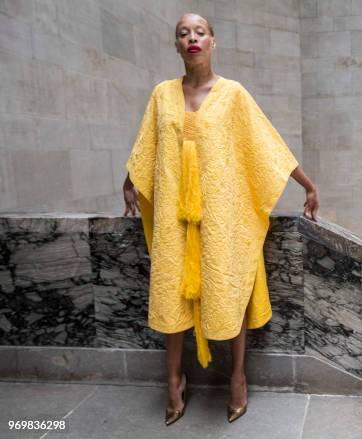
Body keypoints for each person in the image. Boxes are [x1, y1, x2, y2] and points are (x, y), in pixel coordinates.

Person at [122, 13, 319, 426]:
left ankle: (237, 377)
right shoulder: (161, 94)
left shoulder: (233, 95)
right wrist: (130, 182)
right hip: (176, 216)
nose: (191, 38)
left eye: (199, 32)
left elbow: (267, 144)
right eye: (183, 33)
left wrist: (307, 185)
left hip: (220, 215)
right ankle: (173, 380)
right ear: (176, 45)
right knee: (172, 292)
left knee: (229, 291)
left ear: (213, 41)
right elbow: (148, 146)